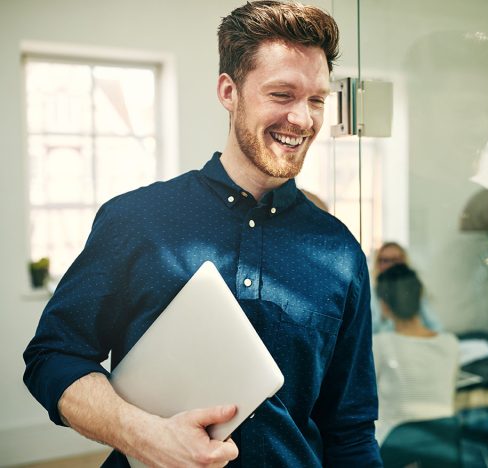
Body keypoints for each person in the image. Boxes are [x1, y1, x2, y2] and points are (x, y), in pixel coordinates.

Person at [23, 2, 382, 466]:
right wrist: (141, 434)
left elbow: (350, 427)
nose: (304, 119)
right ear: (228, 91)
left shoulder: (340, 252)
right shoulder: (136, 219)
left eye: (316, 99)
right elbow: (53, 357)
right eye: (281, 94)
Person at [372, 264, 459, 444]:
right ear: (420, 298)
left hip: (393, 449)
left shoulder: (380, 344)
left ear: (384, 306)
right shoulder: (451, 343)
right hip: (442, 446)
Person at [370, 241, 443, 333]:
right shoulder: (369, 295)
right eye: (385, 260)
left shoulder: (414, 290)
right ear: (378, 263)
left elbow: (435, 326)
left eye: (396, 260)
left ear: (405, 260)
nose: (391, 265)